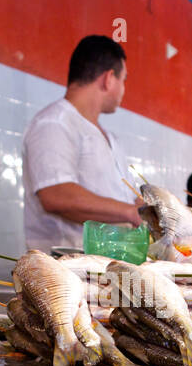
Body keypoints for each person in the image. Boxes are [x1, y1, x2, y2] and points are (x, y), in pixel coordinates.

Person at [22, 36, 141, 252]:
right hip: (66, 269)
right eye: (124, 79)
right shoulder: (54, 123)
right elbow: (56, 195)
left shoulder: (109, 138)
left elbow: (128, 197)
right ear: (109, 78)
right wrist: (130, 212)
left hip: (108, 265)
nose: (124, 89)